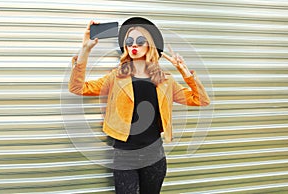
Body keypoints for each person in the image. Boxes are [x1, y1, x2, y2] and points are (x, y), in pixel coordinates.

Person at [69, 17, 210, 194]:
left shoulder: (165, 81)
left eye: (140, 40)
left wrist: (185, 72)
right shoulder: (116, 77)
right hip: (124, 155)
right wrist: (85, 49)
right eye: (129, 41)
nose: (134, 45)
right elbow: (77, 87)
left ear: (149, 45)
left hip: (154, 155)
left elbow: (201, 100)